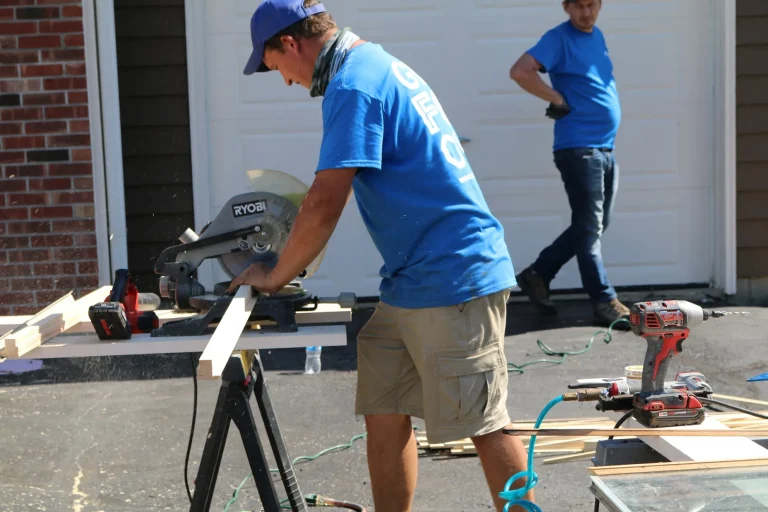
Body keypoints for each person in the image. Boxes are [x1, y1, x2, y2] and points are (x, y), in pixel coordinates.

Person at [228, 0, 535, 510]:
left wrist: (275, 275)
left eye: (274, 66)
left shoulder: (353, 84)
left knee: (483, 422)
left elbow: (326, 200)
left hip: (453, 275)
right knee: (385, 407)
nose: (283, 81)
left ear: (290, 42)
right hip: (412, 279)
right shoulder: (371, 64)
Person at [509, 0, 630, 326]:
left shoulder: (597, 36)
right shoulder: (558, 38)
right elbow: (520, 71)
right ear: (566, 7)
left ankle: (539, 274)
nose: (586, 13)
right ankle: (604, 301)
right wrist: (558, 99)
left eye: (591, 5)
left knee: (592, 225)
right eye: (578, 6)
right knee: (590, 230)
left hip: (605, 148)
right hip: (579, 149)